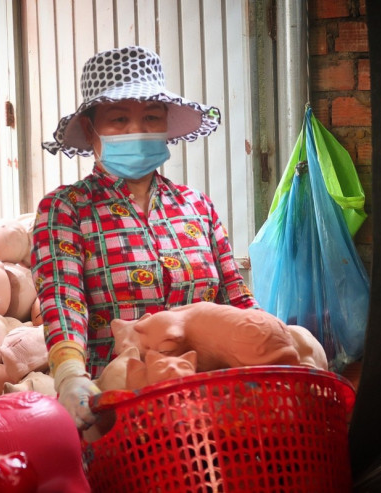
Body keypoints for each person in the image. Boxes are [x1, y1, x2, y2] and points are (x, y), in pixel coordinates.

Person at [31, 45, 259, 429]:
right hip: (118, 408)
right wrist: (70, 375)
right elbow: (63, 301)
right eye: (119, 120)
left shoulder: (196, 206)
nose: (137, 130)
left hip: (212, 406)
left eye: (151, 118)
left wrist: (273, 341)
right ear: (91, 128)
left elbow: (235, 297)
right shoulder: (67, 208)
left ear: (167, 124)